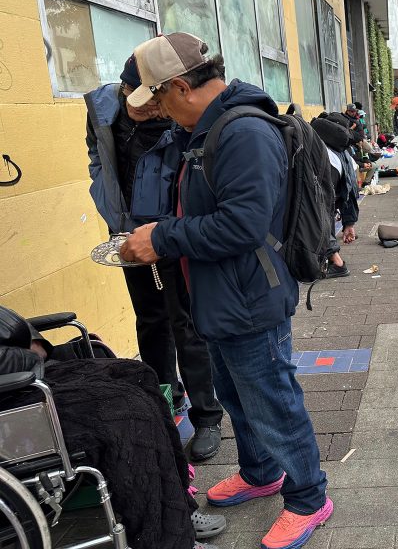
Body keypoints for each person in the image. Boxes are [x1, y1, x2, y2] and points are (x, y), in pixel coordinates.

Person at [119, 32, 332, 549]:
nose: (162, 112)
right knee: (237, 396)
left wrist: (162, 237)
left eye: (160, 98)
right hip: (224, 296)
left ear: (179, 86)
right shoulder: (210, 128)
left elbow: (242, 224)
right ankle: (262, 472)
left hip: (251, 296)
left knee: (274, 402)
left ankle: (309, 497)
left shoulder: (241, 133)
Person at [84, 56, 223, 462]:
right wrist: (108, 207)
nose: (149, 106)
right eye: (138, 97)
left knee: (187, 323)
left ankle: (208, 416)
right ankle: (166, 398)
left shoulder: (181, 116)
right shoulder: (102, 110)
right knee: (149, 320)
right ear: (124, 90)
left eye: (154, 97)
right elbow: (98, 158)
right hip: (129, 233)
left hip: (174, 233)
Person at [0, 307, 224, 549]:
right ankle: (167, 541)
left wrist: (33, 343)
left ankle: (176, 508)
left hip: (30, 370)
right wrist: (31, 355)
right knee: (129, 414)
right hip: (14, 394)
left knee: (140, 375)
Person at [311, 116, 359, 278]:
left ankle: (337, 262)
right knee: (325, 214)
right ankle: (328, 257)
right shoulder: (344, 153)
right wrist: (349, 223)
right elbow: (352, 191)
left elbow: (319, 208)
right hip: (336, 196)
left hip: (328, 194)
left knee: (318, 214)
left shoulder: (322, 151)